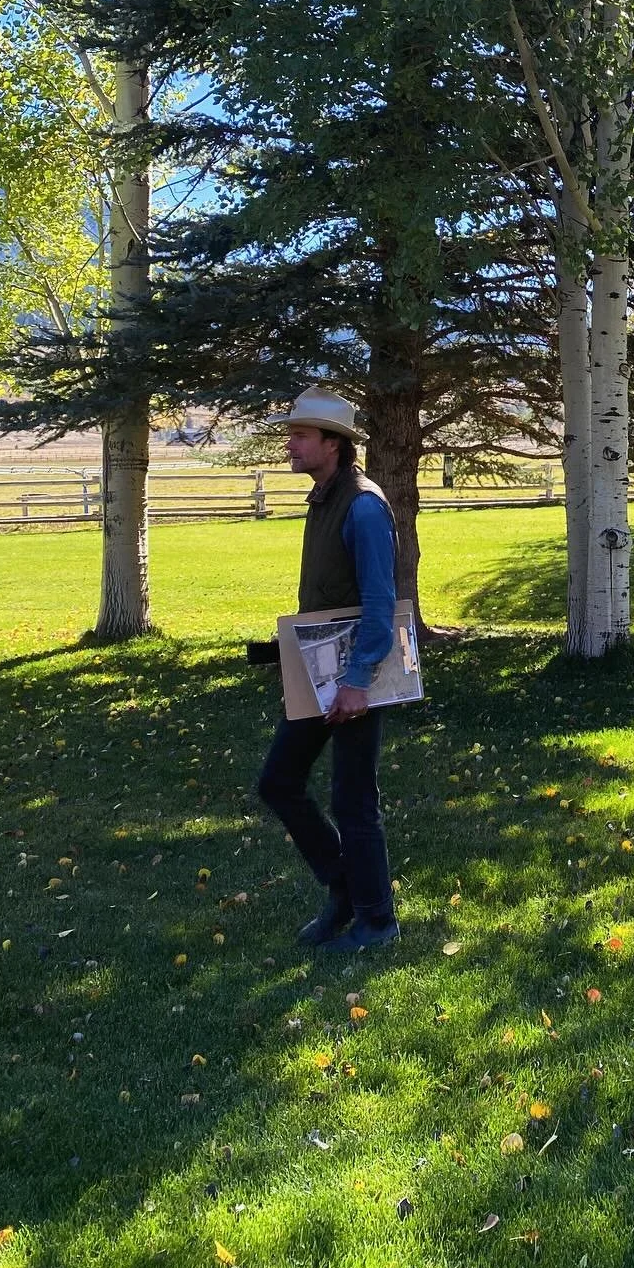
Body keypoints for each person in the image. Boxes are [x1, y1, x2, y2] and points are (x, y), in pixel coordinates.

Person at [256, 388, 401, 953]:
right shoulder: (323, 498)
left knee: (353, 800)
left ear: (333, 444)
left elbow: (380, 602)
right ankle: (343, 890)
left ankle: (377, 921)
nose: (290, 445)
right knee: (279, 783)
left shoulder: (363, 505)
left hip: (352, 680)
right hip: (317, 674)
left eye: (301, 436)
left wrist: (358, 680)